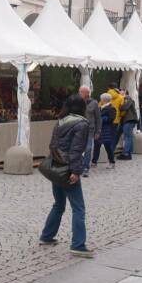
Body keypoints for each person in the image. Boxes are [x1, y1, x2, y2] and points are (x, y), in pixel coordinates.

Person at [39, 95, 92, 258]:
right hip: (68, 169)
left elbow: (53, 145)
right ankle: (78, 244)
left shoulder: (60, 121)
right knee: (78, 208)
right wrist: (76, 171)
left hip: (57, 167)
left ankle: (47, 236)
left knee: (59, 204)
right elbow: (76, 150)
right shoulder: (82, 124)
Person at [92, 93, 117, 169]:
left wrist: (101, 119)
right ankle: (94, 162)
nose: (100, 100)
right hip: (99, 129)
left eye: (101, 99)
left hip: (107, 130)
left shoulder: (111, 108)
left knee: (108, 147)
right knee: (97, 146)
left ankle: (112, 162)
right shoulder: (100, 108)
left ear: (104, 100)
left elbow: (111, 118)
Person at [79, 85, 100, 177]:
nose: (80, 93)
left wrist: (98, 131)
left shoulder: (94, 103)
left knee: (88, 148)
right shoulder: (77, 102)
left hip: (90, 129)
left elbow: (98, 119)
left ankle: (86, 167)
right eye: (80, 92)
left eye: (82, 92)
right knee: (78, 148)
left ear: (87, 93)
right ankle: (78, 166)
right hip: (78, 129)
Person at [118, 90, 138, 160]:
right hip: (130, 120)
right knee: (129, 137)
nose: (120, 94)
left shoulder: (127, 98)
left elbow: (124, 107)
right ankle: (129, 153)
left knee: (127, 137)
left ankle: (125, 153)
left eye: (122, 92)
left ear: (125, 93)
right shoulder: (127, 99)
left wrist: (119, 106)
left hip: (129, 119)